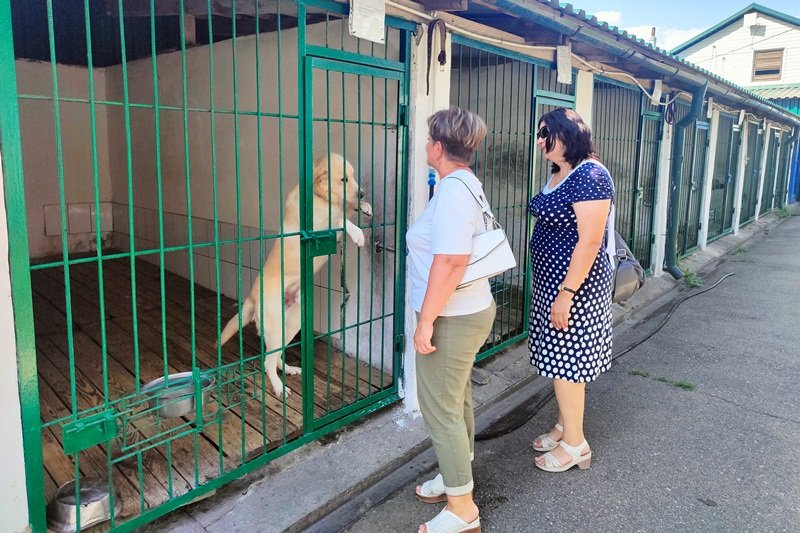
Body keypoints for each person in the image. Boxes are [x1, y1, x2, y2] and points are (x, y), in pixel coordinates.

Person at [406, 106, 496, 533]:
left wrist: (425, 321)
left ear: (438, 147)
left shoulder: (455, 190)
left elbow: (451, 259)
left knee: (440, 407)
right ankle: (456, 474)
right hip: (465, 310)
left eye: (428, 139)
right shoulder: (462, 184)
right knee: (454, 399)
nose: (425, 145)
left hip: (452, 315)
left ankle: (463, 510)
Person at [527, 108, 614, 473]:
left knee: (567, 366)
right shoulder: (561, 173)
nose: (540, 141)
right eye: (539, 133)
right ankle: (565, 426)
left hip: (575, 288)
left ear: (570, 135)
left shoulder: (590, 175)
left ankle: (576, 445)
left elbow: (590, 241)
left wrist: (566, 293)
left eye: (548, 133)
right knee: (558, 361)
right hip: (552, 284)